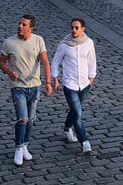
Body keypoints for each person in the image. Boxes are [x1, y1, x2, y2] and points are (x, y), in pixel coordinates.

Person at [0, 14, 53, 167]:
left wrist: (48, 82)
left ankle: (24, 145)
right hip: (18, 87)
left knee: (30, 119)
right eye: (20, 23)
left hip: (34, 86)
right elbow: (1, 63)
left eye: (24, 25)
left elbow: (45, 62)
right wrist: (9, 71)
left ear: (31, 28)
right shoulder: (9, 43)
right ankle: (18, 147)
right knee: (22, 118)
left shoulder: (38, 40)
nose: (20, 27)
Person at [51, 18, 97, 154]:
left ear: (83, 29)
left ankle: (67, 127)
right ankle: (85, 142)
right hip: (69, 84)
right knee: (78, 113)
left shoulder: (89, 43)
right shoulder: (64, 45)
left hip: (84, 84)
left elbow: (92, 60)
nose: (74, 30)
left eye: (77, 28)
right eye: (72, 27)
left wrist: (91, 78)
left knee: (75, 110)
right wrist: (55, 79)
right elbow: (55, 61)